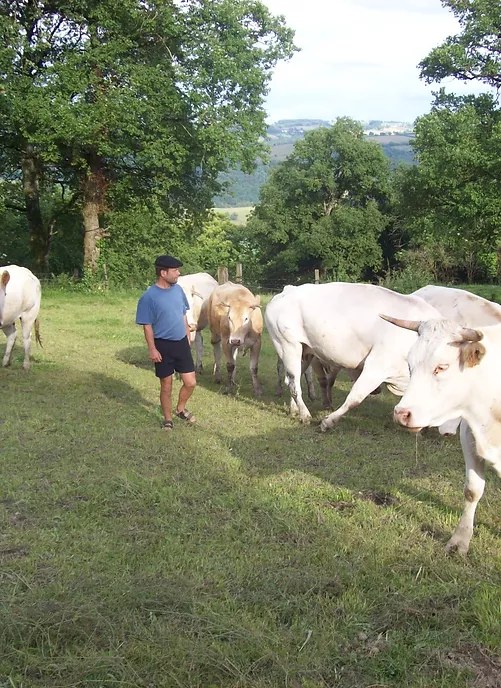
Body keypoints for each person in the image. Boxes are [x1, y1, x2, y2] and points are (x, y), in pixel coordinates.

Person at [136, 255, 197, 431]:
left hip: (181, 344)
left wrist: (187, 337)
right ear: (163, 273)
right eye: (175, 270)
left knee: (190, 382)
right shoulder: (148, 297)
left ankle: (180, 409)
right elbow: (147, 326)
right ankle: (168, 419)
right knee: (166, 385)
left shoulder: (178, 290)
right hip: (162, 345)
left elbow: (183, 314)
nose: (178, 273)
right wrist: (152, 349)